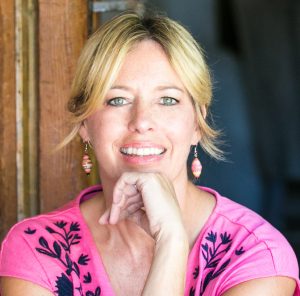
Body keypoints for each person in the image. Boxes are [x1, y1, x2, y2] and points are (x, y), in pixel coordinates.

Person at [0, 11, 299, 296]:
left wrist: (172, 239)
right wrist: (170, 244)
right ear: (84, 125)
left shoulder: (256, 254)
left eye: (167, 99)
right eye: (117, 100)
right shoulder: (38, 249)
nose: (141, 121)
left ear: (197, 122)